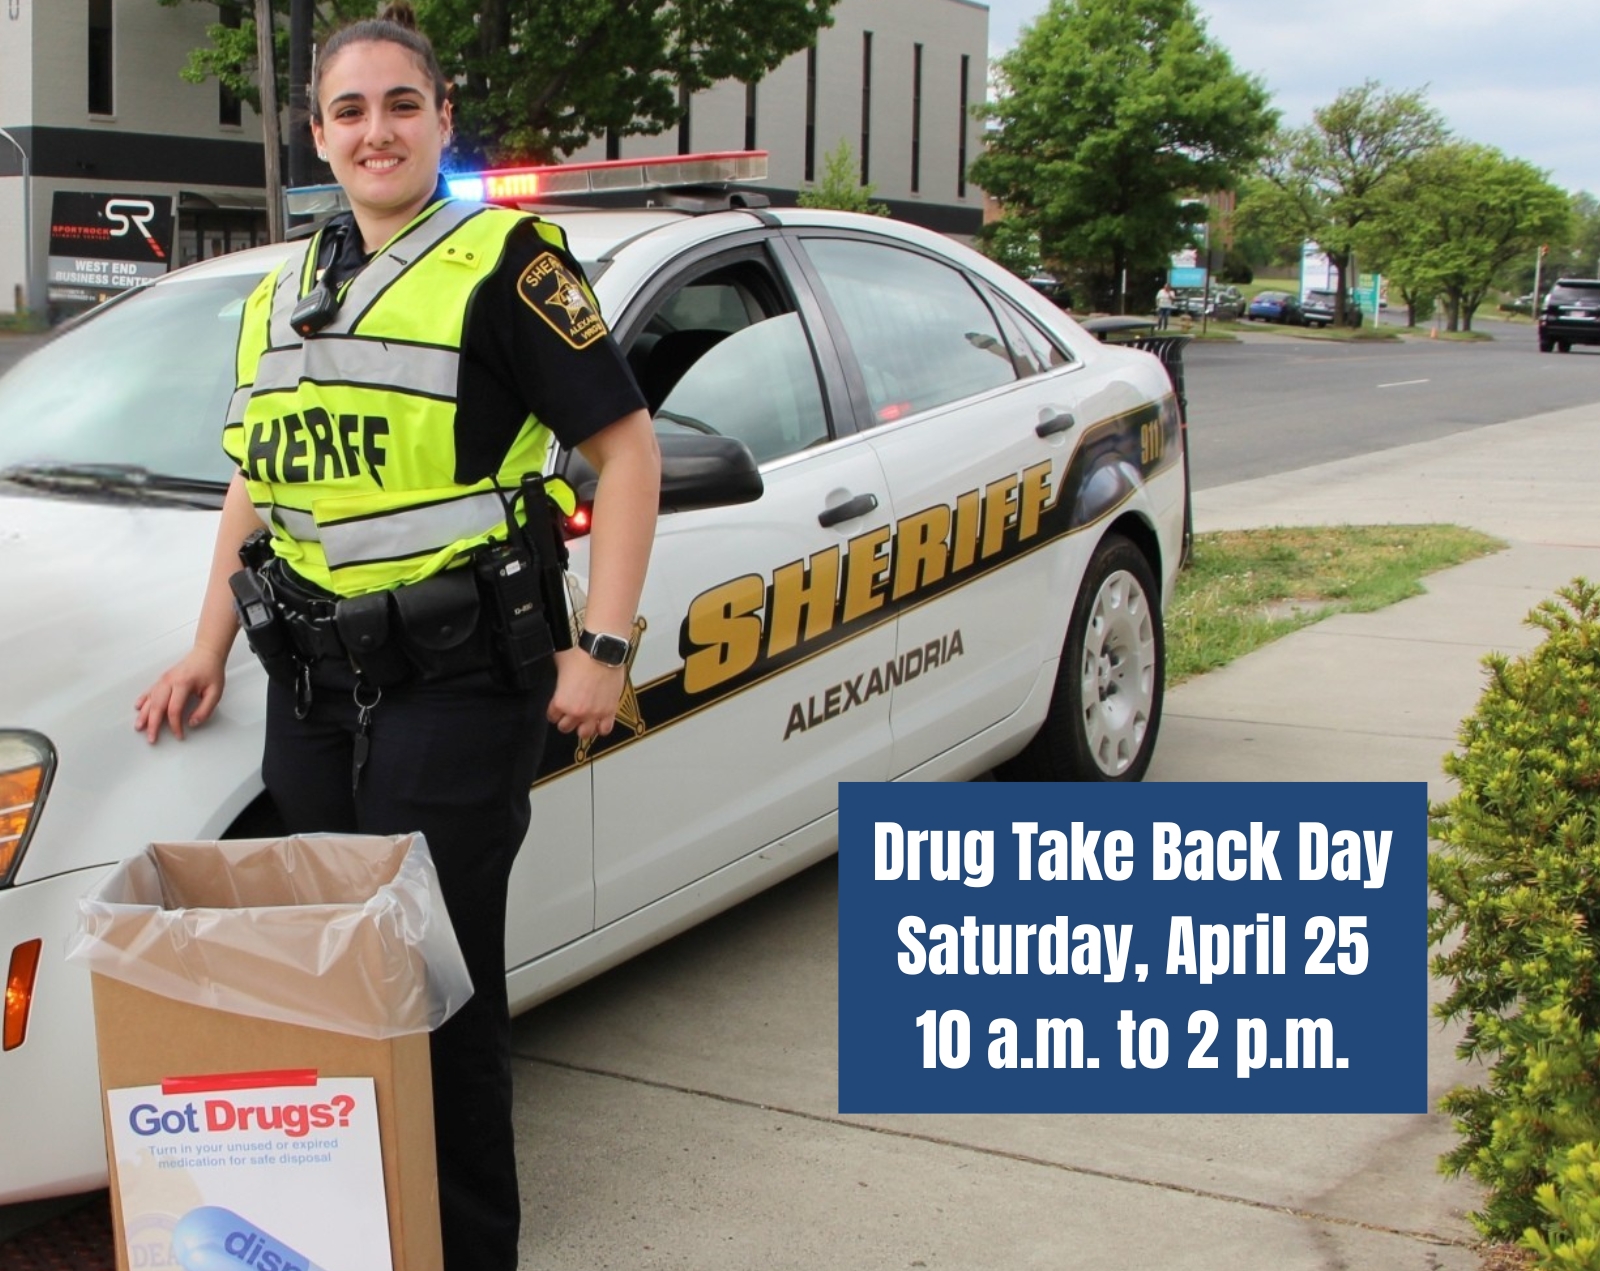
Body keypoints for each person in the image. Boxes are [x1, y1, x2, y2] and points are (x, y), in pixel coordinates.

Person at [133, 5, 660, 1267]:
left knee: (435, 982)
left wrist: (606, 643)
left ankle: (469, 1248)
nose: (378, 130)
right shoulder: (280, 293)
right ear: (318, 132)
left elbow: (626, 448)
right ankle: (357, 1234)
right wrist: (207, 641)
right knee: (329, 982)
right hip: (312, 687)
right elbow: (253, 487)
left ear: (440, 120)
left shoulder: (507, 265)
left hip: (463, 681)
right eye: (352, 109)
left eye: (401, 104)